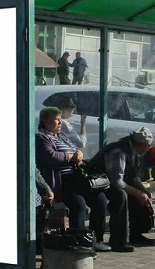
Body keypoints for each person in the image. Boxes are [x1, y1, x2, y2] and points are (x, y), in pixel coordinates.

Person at [35, 107, 111, 252]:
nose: (59, 123)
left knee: (100, 200)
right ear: (45, 120)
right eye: (56, 119)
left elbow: (76, 148)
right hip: (62, 181)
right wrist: (72, 157)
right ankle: (79, 242)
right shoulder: (41, 137)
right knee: (79, 204)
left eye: (60, 119)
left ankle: (95, 240)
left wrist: (79, 153)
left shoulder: (61, 136)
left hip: (77, 178)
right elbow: (51, 156)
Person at [87, 127, 155, 251]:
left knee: (138, 194)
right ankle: (118, 241)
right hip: (98, 183)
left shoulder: (134, 150)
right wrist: (138, 193)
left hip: (109, 182)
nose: (148, 149)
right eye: (147, 146)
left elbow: (133, 176)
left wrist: (143, 191)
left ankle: (136, 234)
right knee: (121, 196)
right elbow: (116, 181)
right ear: (141, 145)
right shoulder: (119, 151)